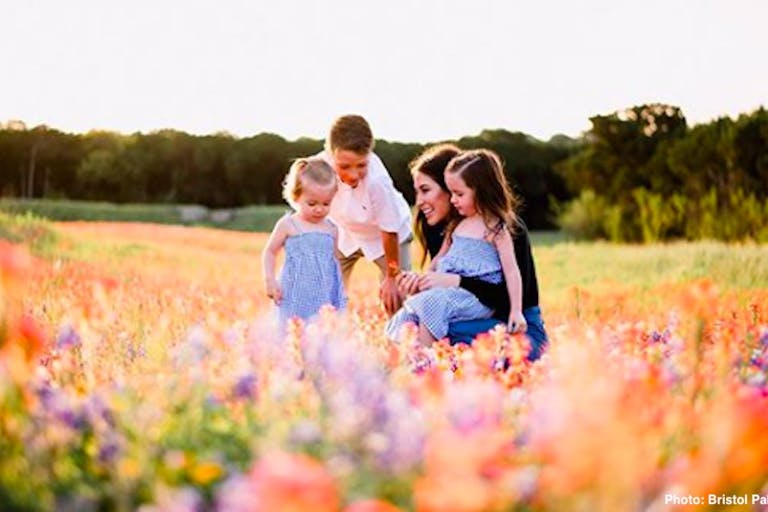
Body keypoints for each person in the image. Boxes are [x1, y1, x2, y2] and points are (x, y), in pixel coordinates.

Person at [397, 144, 548, 360]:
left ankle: (427, 370)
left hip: (515, 324)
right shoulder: (447, 229)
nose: (419, 201)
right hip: (469, 322)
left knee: (437, 327)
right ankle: (424, 370)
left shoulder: (504, 228)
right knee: (415, 322)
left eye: (425, 190)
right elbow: (441, 281)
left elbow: (511, 300)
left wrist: (455, 280)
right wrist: (420, 283)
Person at [316, 114, 412, 316]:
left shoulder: (378, 182)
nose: (353, 175)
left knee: (398, 299)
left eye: (361, 165)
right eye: (344, 166)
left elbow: (389, 230)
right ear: (330, 153)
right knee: (326, 298)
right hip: (345, 233)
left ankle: (400, 342)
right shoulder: (316, 168)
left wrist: (392, 277)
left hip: (386, 239)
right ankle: (328, 342)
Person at [262, 157, 347, 329]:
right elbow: (270, 251)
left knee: (321, 335)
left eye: (326, 203)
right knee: (290, 333)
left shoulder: (332, 229)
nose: (319, 209)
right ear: (296, 196)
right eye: (312, 203)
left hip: (323, 297)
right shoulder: (289, 224)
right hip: (292, 294)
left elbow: (334, 263)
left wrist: (339, 295)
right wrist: (270, 279)